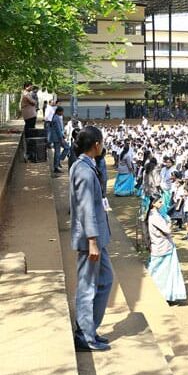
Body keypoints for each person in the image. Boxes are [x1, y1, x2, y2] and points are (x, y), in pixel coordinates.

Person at [70, 125, 113, 352]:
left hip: (98, 237)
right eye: (102, 142)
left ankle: (88, 328)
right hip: (90, 240)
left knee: (106, 280)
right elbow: (86, 208)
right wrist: (93, 241)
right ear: (96, 144)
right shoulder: (84, 171)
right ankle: (85, 336)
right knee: (88, 287)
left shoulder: (88, 166)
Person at [146, 194, 186, 304]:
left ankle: (163, 293)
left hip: (160, 247)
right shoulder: (155, 216)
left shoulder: (153, 214)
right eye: (159, 202)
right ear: (153, 204)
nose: (162, 203)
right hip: (162, 248)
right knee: (162, 273)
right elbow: (167, 230)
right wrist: (169, 224)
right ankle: (161, 293)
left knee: (160, 272)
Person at [48, 107, 65, 173]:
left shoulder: (55, 117)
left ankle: (58, 163)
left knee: (58, 152)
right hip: (57, 138)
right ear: (59, 111)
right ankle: (56, 165)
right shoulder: (56, 118)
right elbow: (58, 130)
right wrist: (61, 138)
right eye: (62, 112)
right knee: (58, 152)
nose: (63, 113)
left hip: (56, 137)